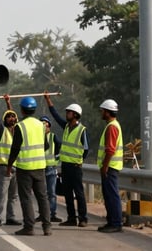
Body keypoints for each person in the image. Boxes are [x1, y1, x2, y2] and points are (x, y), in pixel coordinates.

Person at [7, 96, 51, 236]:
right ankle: (47, 227)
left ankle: (29, 227)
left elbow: (15, 148)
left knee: (26, 198)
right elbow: (46, 145)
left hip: (25, 168)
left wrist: (9, 166)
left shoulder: (20, 126)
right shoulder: (41, 125)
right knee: (42, 197)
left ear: (22, 109)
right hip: (40, 167)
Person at [44, 92, 89, 227]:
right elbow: (55, 116)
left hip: (75, 167)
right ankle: (71, 218)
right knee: (67, 194)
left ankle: (83, 218)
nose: (66, 114)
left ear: (75, 114)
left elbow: (86, 149)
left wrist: (80, 160)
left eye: (69, 112)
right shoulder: (66, 127)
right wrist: (48, 100)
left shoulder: (82, 130)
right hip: (65, 166)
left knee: (79, 193)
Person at [0, 94, 21, 227]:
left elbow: (14, 115)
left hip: (17, 166)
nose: (11, 118)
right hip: (4, 167)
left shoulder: (19, 131)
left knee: (13, 195)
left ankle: (10, 217)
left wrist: (9, 103)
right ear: (5, 120)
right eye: (8, 117)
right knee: (2, 193)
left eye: (13, 116)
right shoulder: (2, 131)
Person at [97, 99, 124, 233]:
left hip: (110, 167)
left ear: (107, 112)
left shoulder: (112, 127)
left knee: (112, 196)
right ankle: (111, 221)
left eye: (102, 111)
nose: (101, 113)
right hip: (111, 166)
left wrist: (105, 166)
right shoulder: (112, 125)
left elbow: (110, 149)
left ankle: (116, 223)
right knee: (108, 195)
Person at [40, 116, 62, 223]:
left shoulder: (54, 137)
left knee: (52, 193)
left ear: (49, 125)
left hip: (52, 168)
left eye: (46, 124)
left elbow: (59, 147)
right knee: (41, 193)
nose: (44, 126)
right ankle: (42, 214)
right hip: (40, 168)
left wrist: (57, 161)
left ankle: (52, 214)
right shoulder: (37, 138)